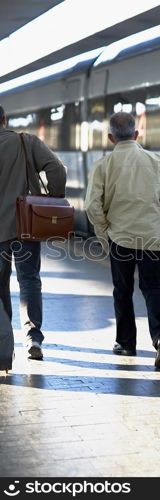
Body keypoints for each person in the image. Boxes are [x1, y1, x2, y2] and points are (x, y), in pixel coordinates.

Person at [85, 112, 160, 368]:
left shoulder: (102, 165)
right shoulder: (157, 162)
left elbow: (91, 206)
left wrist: (104, 232)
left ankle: (126, 344)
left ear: (110, 137)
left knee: (122, 291)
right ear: (136, 134)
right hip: (152, 239)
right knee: (152, 288)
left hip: (120, 238)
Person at [0, 105, 66, 360]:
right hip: (26, 227)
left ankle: (5, 342)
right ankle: (33, 338)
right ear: (5, 119)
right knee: (29, 280)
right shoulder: (24, 141)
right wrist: (54, 199)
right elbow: (56, 169)